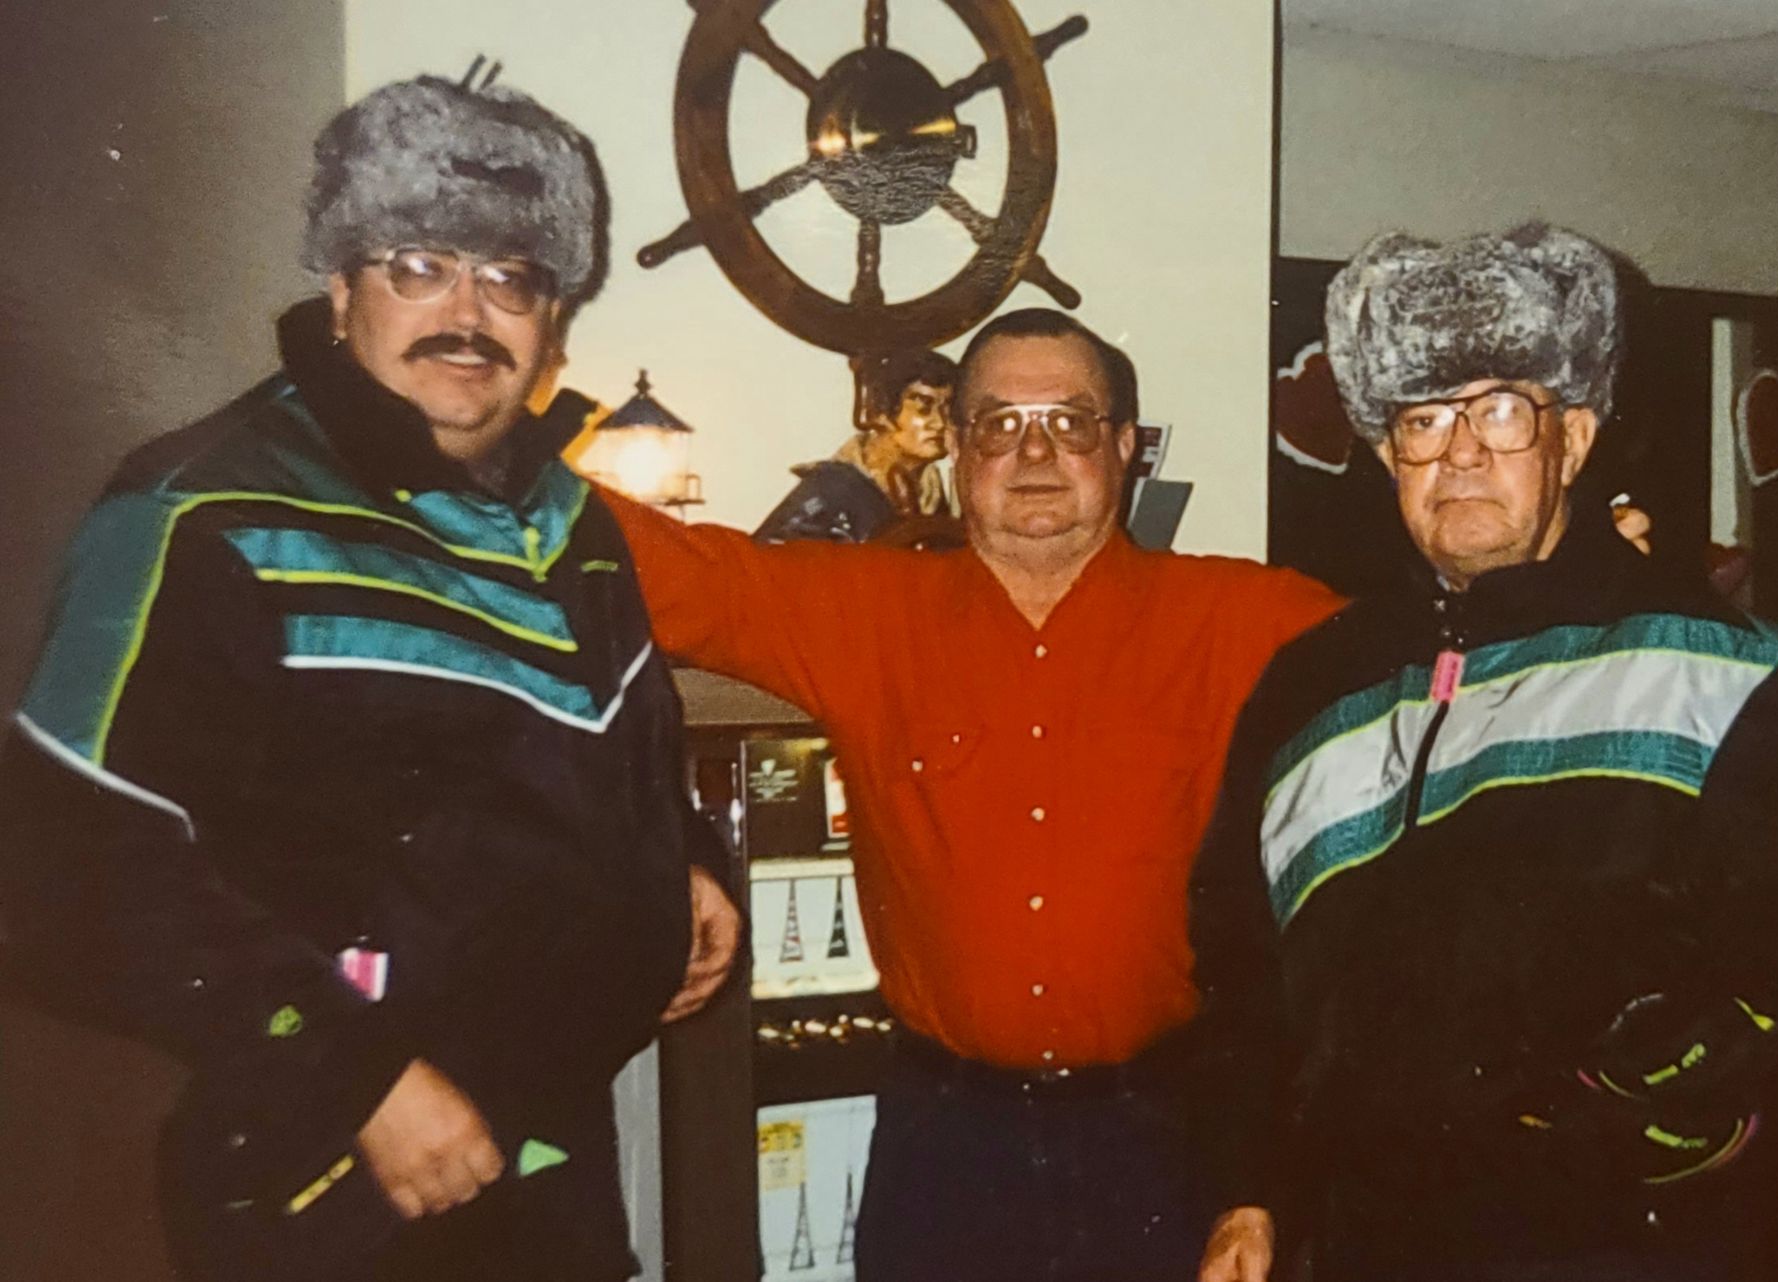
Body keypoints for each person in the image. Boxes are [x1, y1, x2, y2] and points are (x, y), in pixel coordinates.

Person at [0, 73, 739, 1282]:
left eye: (509, 276)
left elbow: (610, 759)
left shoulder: (576, 523)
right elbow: (62, 865)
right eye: (420, 265)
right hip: (337, 1178)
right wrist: (359, 1077)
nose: (468, 312)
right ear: (341, 289)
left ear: (551, 318)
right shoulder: (199, 509)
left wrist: (689, 863)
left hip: (548, 1163)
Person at [1188, 224, 1778, 1282]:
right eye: (1422, 420)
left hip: (1633, 1243)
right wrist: (1250, 1187)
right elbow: (1241, 967)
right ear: (1388, 455)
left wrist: (1690, 1086)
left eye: (1500, 410)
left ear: (1572, 439)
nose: (1459, 453)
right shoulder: (1309, 690)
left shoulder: (1733, 672)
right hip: (1372, 1240)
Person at [605, 308, 1350, 1282]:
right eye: (999, 424)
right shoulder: (866, 610)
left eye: (1069, 422)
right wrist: (477, 440)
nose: (1033, 453)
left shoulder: (1245, 615)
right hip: (944, 1144)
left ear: (1124, 446)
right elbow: (663, 572)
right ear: (957, 449)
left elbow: (1421, 657)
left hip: (1169, 1135)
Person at [753, 348, 959, 544]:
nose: (940, 423)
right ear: (882, 411)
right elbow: (768, 556)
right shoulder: (831, 489)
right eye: (923, 407)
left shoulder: (932, 495)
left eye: (948, 410)